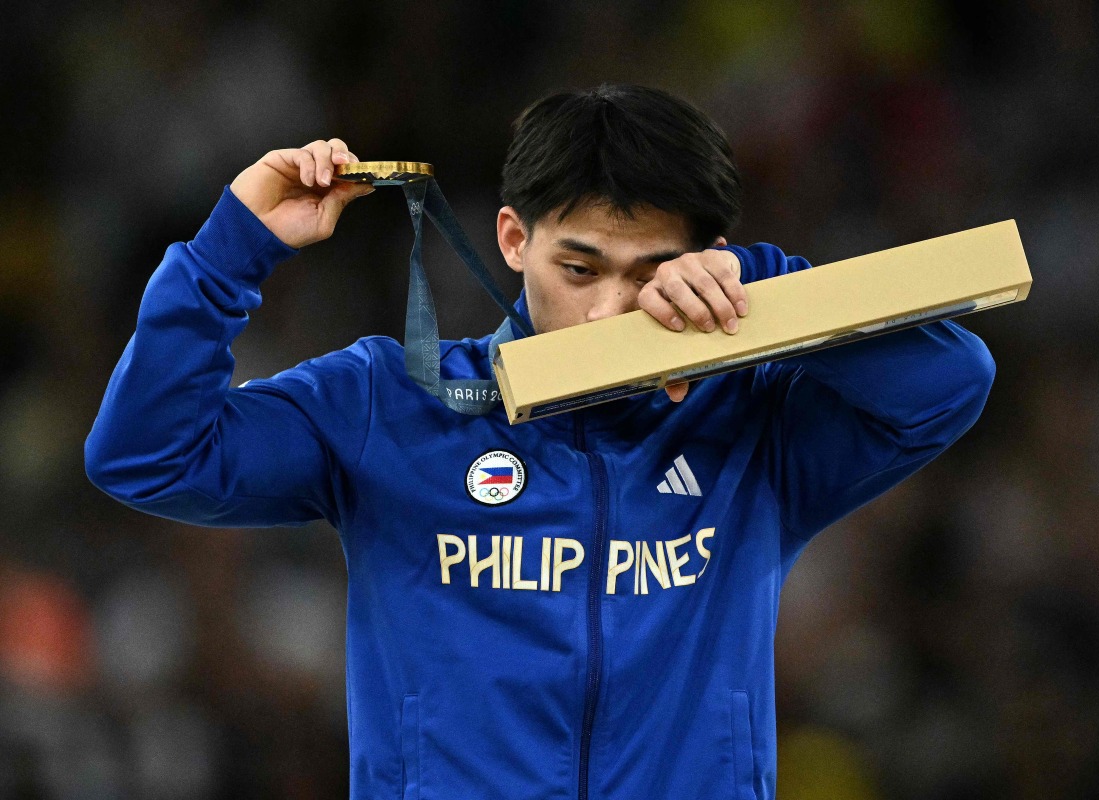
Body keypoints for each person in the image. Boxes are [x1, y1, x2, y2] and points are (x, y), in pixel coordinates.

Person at [85, 83, 996, 799]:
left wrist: (761, 290)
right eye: (578, 268)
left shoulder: (753, 421)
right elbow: (146, 454)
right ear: (514, 239)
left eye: (653, 274)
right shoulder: (388, 401)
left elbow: (954, 380)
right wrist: (230, 249)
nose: (608, 309)